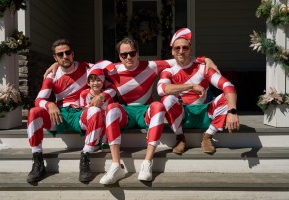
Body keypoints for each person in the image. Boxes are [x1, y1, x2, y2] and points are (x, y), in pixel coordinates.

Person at [44, 37, 218, 184]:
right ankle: (115, 165)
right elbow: (89, 67)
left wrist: (204, 59)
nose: (128, 57)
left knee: (158, 106)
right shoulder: (112, 68)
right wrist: (56, 64)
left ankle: (147, 162)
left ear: (138, 53)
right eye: (124, 54)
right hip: (125, 113)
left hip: (144, 112)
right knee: (112, 108)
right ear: (119, 56)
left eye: (132, 53)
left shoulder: (150, 66)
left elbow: (181, 58)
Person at [26, 39, 108, 183]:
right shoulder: (52, 75)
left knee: (95, 111)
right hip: (60, 116)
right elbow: (39, 100)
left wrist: (101, 95)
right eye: (60, 54)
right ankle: (37, 161)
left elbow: (108, 68)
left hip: (81, 114)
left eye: (67, 52)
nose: (65, 56)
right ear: (55, 58)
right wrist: (50, 105)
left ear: (73, 54)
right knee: (34, 112)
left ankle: (85, 159)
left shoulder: (87, 67)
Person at [157, 28, 240, 154]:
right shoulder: (168, 71)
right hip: (184, 116)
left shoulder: (203, 68)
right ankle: (180, 137)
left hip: (205, 114)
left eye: (185, 48)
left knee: (225, 97)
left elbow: (228, 85)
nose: (181, 51)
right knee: (167, 99)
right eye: (177, 48)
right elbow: (161, 89)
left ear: (190, 50)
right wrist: (190, 86)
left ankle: (207, 136)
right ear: (172, 52)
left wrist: (232, 111)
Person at [79, 67, 113, 150]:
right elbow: (82, 108)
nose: (96, 83)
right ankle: (95, 141)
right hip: (90, 118)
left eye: (98, 80)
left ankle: (105, 141)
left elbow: (109, 108)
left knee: (108, 119)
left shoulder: (106, 95)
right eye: (93, 81)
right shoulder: (84, 94)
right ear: (88, 83)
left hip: (103, 117)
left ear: (103, 82)